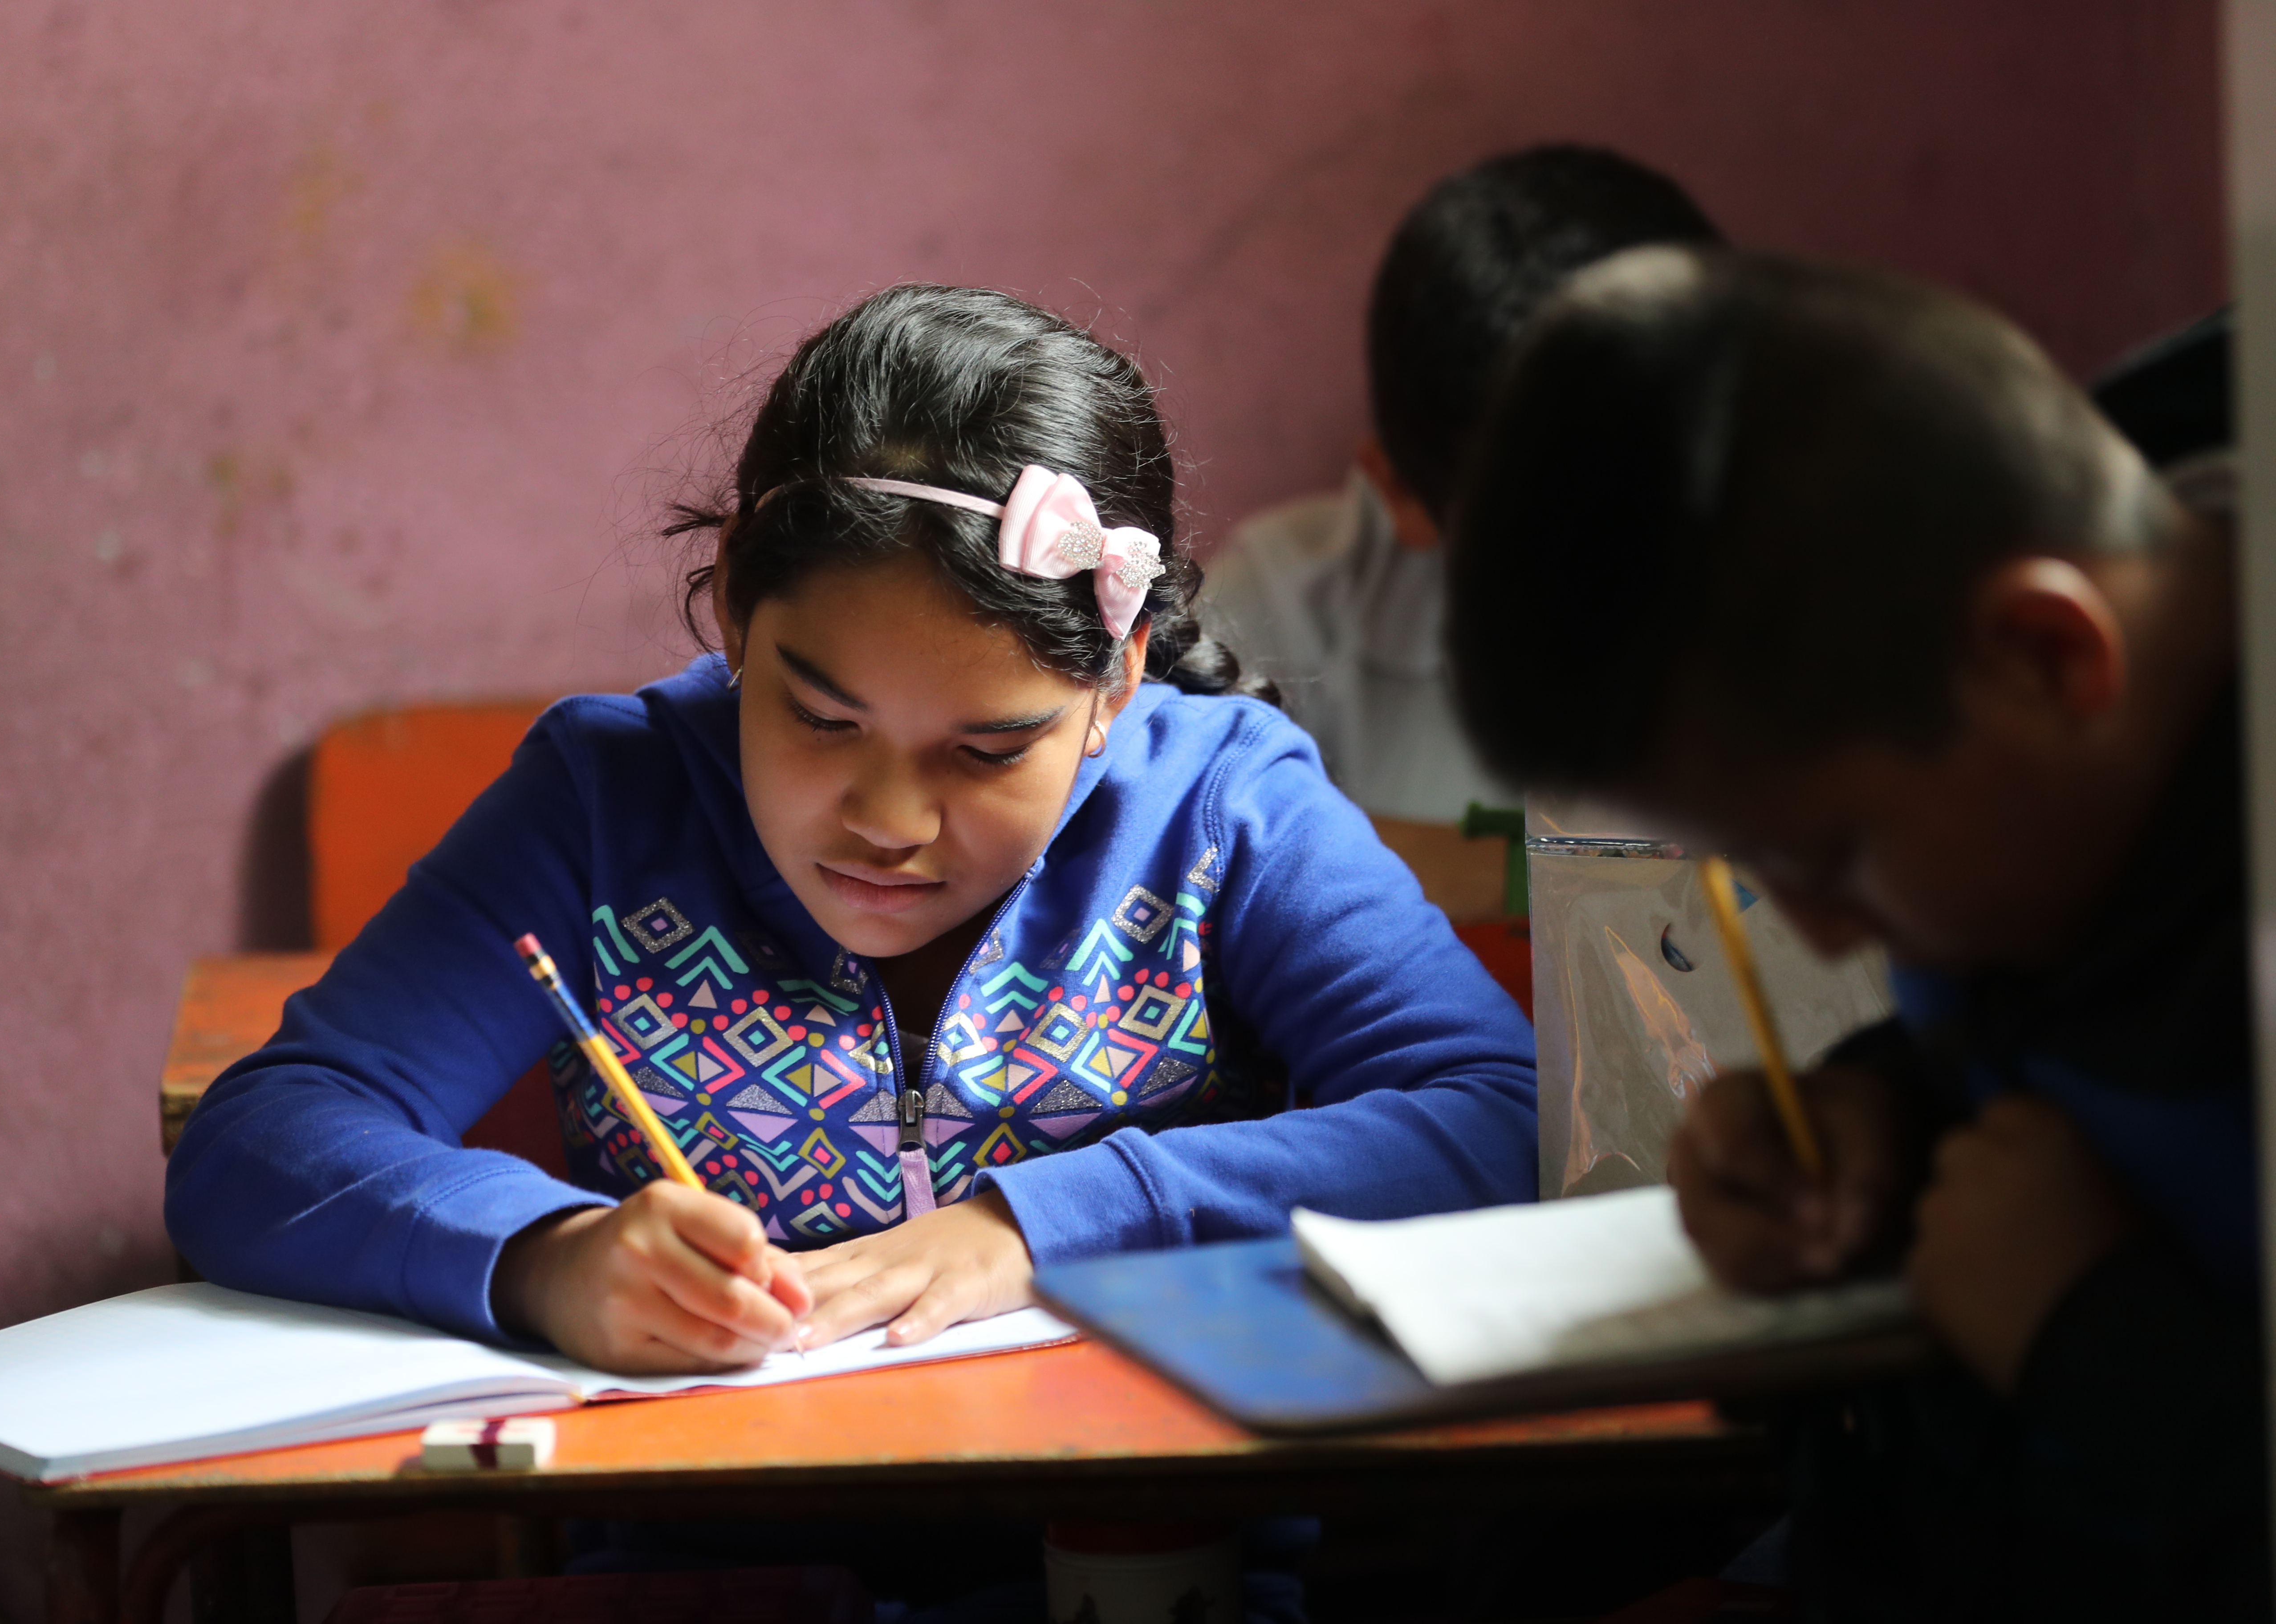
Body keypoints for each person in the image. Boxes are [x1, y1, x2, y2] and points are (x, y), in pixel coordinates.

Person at [166, 283, 1537, 1377]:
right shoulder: (603, 806)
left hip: (1145, 1558)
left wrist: (1045, 1225)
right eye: (819, 719)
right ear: (733, 624)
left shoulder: (1221, 808)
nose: (888, 824)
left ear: (1114, 689)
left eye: (989, 749)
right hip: (706, 1574)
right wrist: (549, 1258)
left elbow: (1500, 1117)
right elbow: (266, 1136)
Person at [1446, 246, 2264, 1619]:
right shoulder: (2041, 756)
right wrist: (1883, 1119)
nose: (1822, 939)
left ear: (2052, 657)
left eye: (1825, 861)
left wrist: (2087, 1331)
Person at [1202, 144, 1720, 833]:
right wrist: (1523, 875)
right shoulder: (1279, 614)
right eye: (1566, 546)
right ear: (1400, 495)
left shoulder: (1856, 584)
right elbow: (1187, 849)